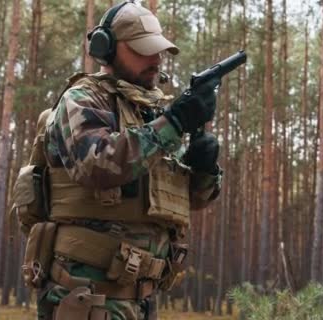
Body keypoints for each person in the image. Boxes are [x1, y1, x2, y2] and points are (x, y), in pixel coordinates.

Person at [18, 1, 222, 319]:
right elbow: (96, 165)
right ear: (106, 48)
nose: (155, 60)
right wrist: (175, 124)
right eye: (143, 50)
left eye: (158, 50)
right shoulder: (83, 99)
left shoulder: (148, 113)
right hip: (86, 299)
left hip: (140, 300)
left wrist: (204, 169)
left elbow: (181, 201)